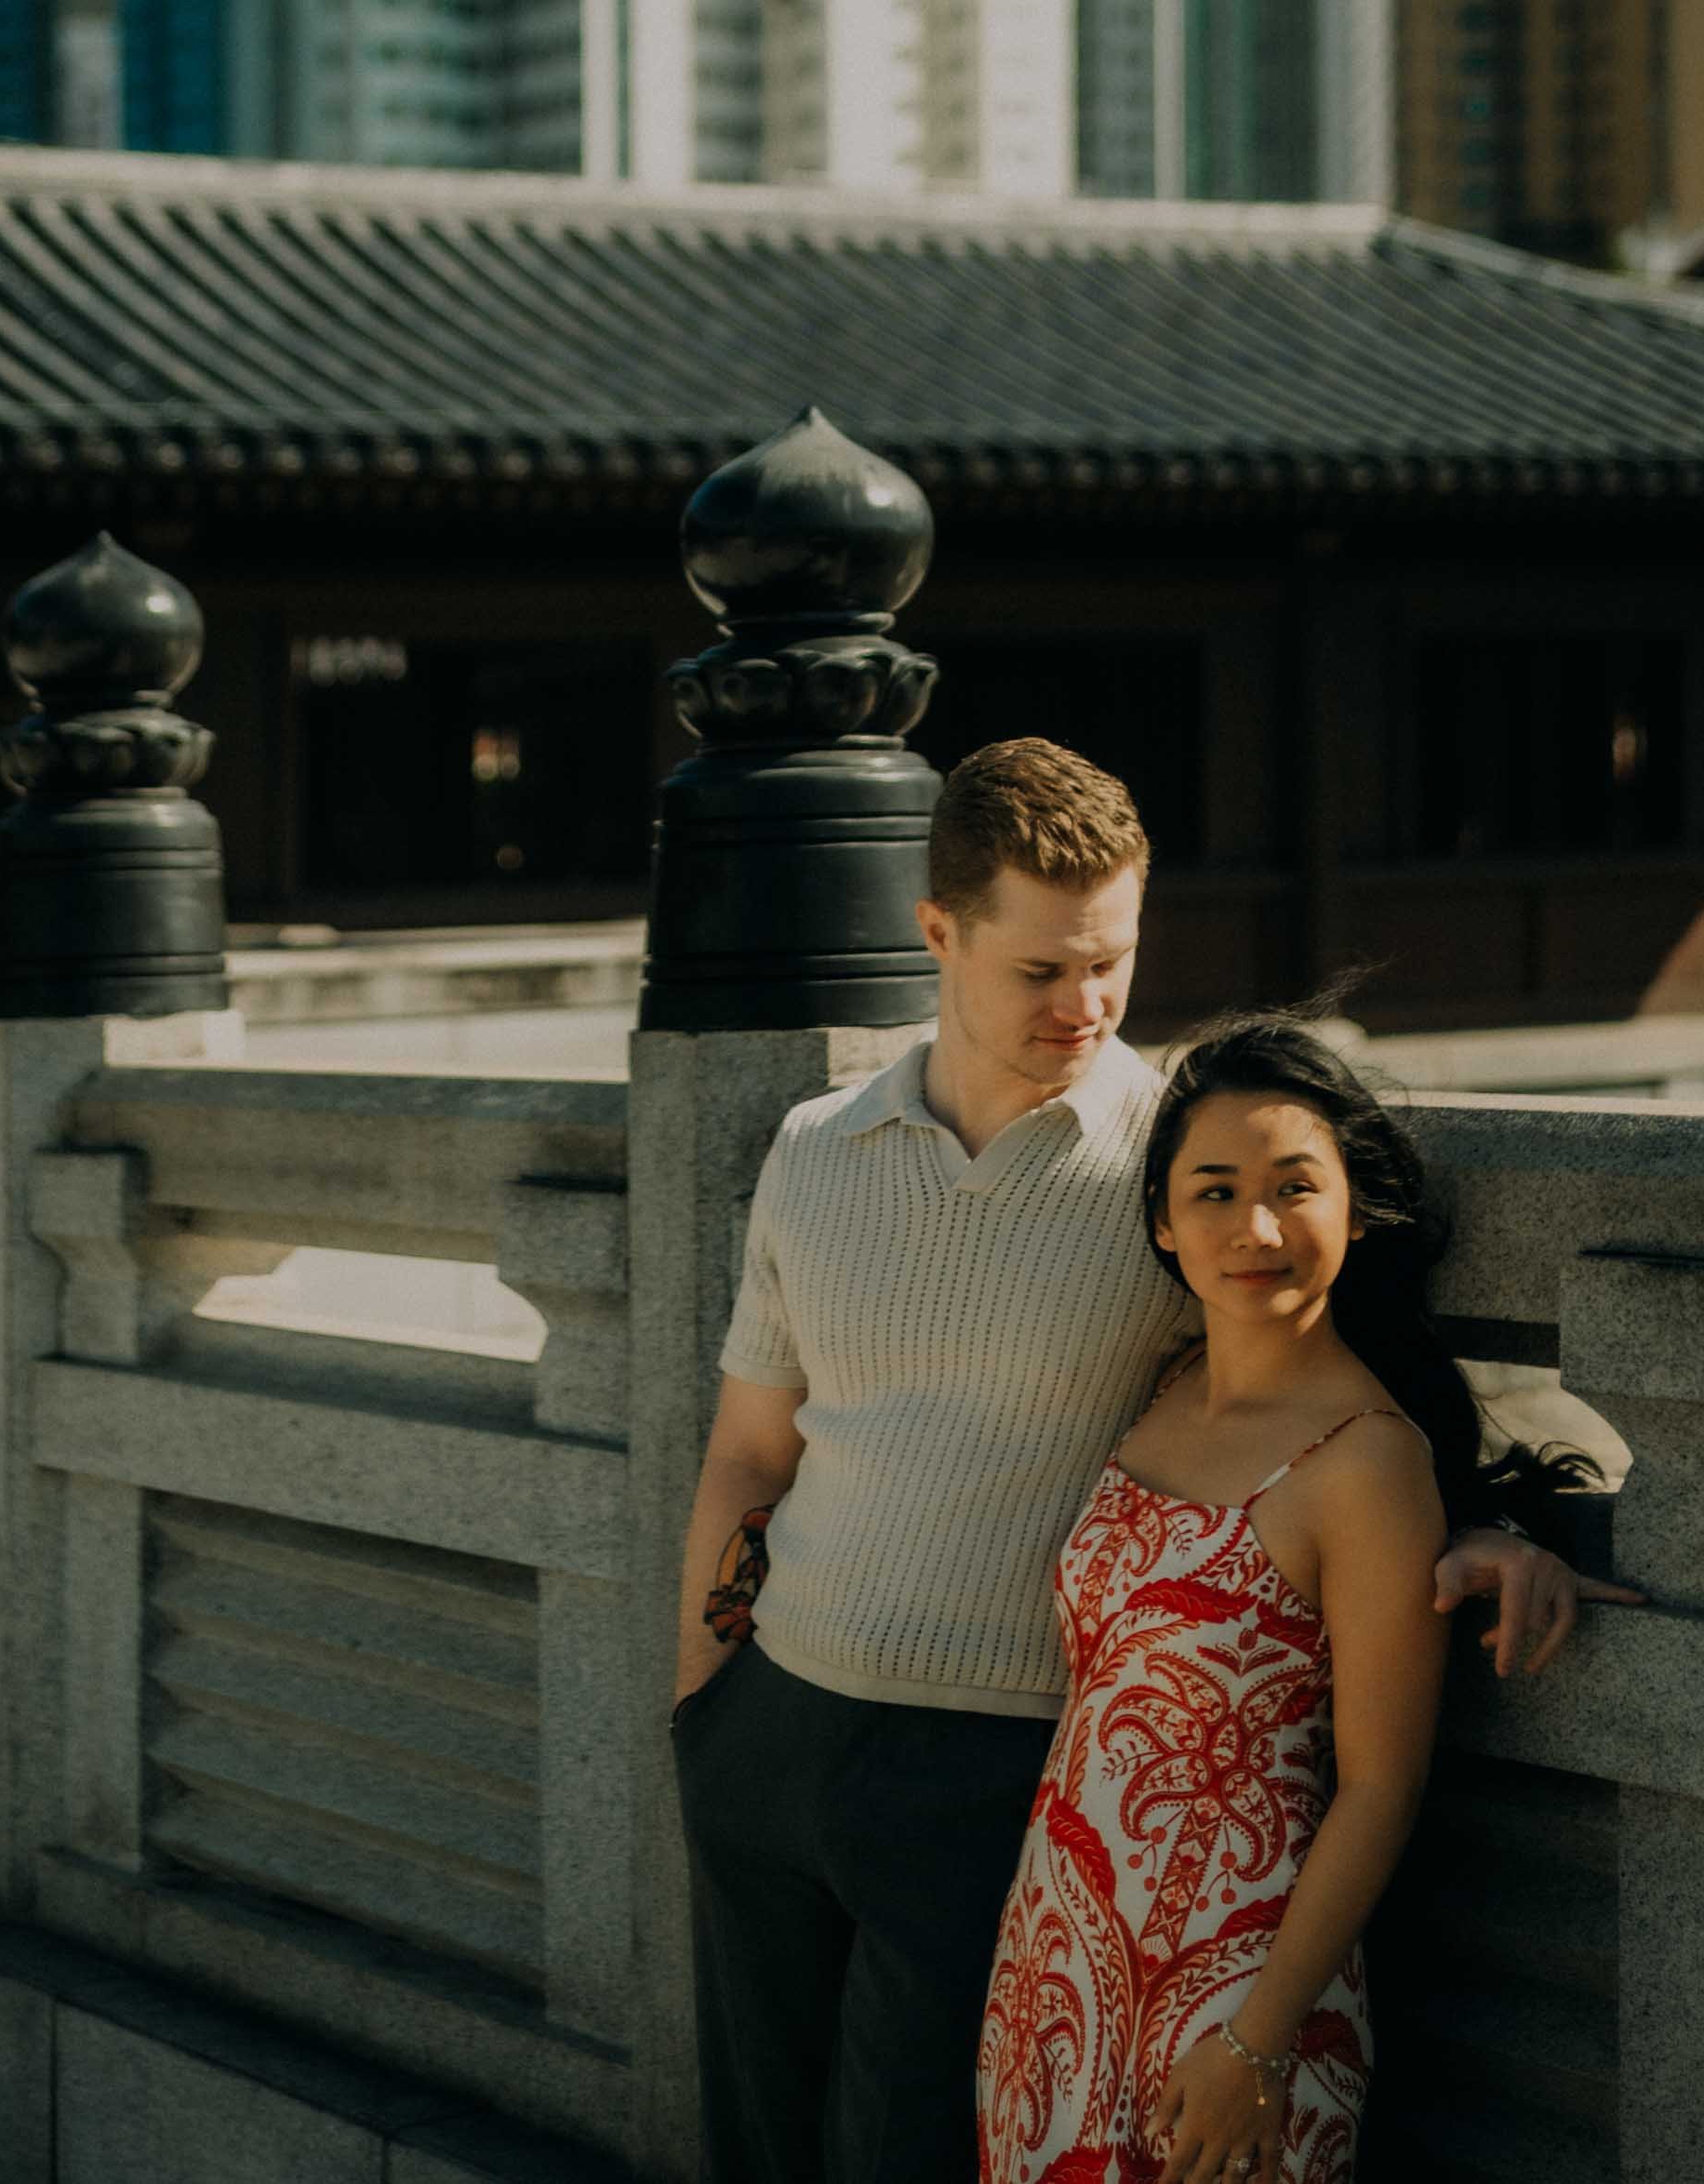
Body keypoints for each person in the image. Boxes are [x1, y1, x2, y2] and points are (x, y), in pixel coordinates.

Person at [669, 742, 1617, 2184]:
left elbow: (1315, 1348)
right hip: (771, 1728)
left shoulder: (1167, 1175)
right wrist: (702, 1711)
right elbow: (749, 1451)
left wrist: (1482, 1517)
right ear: (939, 933)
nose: (1088, 1004)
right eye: (1043, 970)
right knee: (751, 2149)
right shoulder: (815, 1146)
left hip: (995, 1766)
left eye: (1112, 962)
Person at [978, 1010, 1516, 2184]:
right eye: (1214, 1191)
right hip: (1057, 1956)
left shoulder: (1369, 1461)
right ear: (1164, 1222)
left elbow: (1380, 1786)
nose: (1256, 1228)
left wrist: (1256, 2041)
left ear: (1357, 1209)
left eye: (1294, 1187)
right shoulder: (1165, 1386)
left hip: (1237, 1989)